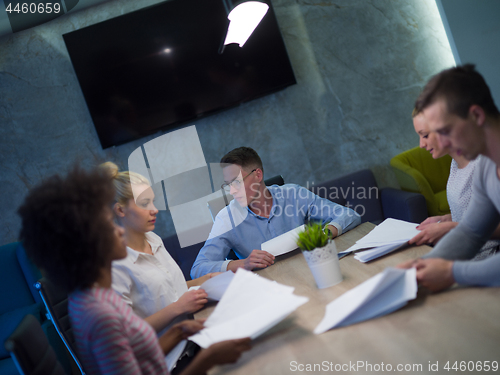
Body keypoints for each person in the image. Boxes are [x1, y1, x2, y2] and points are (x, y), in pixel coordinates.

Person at [18, 166, 251, 375]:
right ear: (86, 245)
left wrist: (179, 331)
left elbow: (141, 355)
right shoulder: (100, 317)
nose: (119, 231)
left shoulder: (101, 295)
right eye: (108, 227)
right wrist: (211, 358)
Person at [101, 162, 220, 373]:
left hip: (194, 338)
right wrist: (179, 307)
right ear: (120, 209)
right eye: (145, 203)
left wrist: (206, 280)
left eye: (152, 201)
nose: (154, 210)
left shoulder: (153, 239)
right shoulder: (112, 266)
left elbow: (169, 287)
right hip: (169, 360)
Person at [399, 64, 500, 291]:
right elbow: (472, 231)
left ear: (476, 115)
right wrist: (419, 266)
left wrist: (452, 273)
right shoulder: (485, 165)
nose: (442, 143)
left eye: (445, 131)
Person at [191, 147, 362, 278]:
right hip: (269, 289)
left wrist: (325, 234)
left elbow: (350, 215)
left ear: (258, 175)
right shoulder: (226, 219)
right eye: (228, 185)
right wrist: (243, 263)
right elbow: (198, 269)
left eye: (236, 182)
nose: (232, 191)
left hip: (311, 272)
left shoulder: (293, 194)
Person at [408, 110, 500, 260]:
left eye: (425, 135)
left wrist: (450, 228)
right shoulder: (456, 163)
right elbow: (477, 213)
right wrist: (446, 219)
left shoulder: (486, 163)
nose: (421, 145)